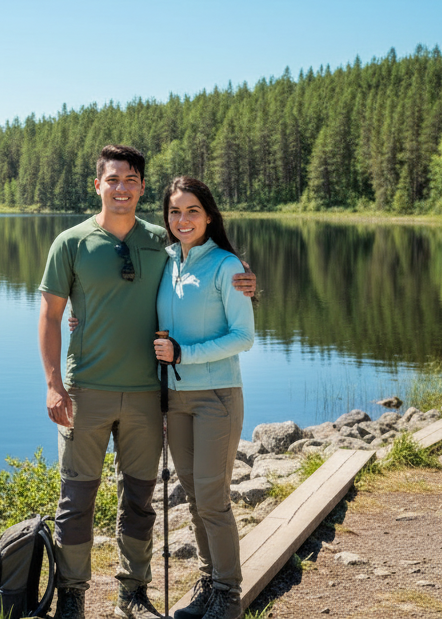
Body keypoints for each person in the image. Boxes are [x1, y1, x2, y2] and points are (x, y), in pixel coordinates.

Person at [38, 146, 255, 619]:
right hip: (86, 391)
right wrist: (54, 384)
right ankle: (71, 595)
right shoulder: (71, 243)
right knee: (76, 499)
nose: (122, 188)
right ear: (98, 185)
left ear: (140, 187)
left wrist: (246, 280)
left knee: (139, 500)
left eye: (131, 180)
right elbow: (51, 315)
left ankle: (133, 593)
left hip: (147, 396)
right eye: (113, 179)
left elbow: (213, 273)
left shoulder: (161, 242)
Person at [153, 177, 256, 619]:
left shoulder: (227, 266)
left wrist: (184, 354)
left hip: (216, 396)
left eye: (192, 210)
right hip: (175, 399)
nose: (183, 219)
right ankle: (209, 583)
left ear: (209, 215)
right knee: (194, 498)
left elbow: (244, 337)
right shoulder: (165, 260)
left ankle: (228, 597)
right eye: (175, 212)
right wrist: (79, 316)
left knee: (213, 498)